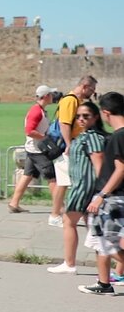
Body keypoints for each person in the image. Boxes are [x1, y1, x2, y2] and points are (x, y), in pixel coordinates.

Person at [47, 101, 107, 274]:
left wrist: (100, 193)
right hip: (82, 186)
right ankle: (106, 268)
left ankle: (70, 263)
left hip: (84, 187)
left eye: (86, 116)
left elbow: (99, 166)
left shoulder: (92, 137)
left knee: (69, 222)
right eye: (78, 116)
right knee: (94, 230)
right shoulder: (86, 135)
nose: (80, 119)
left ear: (96, 117)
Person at [79, 92, 124, 295]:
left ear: (105, 113)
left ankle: (105, 283)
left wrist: (102, 195)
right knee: (101, 241)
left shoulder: (118, 136)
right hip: (114, 197)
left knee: (110, 243)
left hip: (113, 198)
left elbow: (121, 169)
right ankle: (104, 283)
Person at [50, 75, 98, 227]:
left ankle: (64, 212)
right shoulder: (70, 100)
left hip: (71, 145)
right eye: (92, 89)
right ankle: (55, 214)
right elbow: (64, 123)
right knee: (62, 182)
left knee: (66, 182)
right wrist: (69, 144)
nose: (93, 93)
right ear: (84, 86)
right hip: (66, 148)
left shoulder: (77, 101)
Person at [8, 85, 58, 213]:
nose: (53, 96)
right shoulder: (37, 111)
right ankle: (60, 207)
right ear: (46, 96)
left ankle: (14, 203)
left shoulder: (39, 110)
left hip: (33, 149)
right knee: (52, 177)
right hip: (37, 151)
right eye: (51, 94)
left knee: (27, 175)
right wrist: (45, 138)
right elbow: (29, 131)